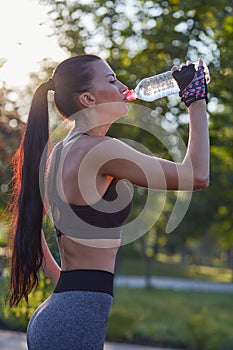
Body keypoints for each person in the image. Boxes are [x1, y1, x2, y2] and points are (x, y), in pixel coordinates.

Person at [8, 54, 209, 350]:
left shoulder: (61, 152)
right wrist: (196, 100)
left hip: (61, 313)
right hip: (74, 321)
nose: (124, 86)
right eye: (112, 80)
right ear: (88, 99)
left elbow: (29, 224)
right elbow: (197, 176)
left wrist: (69, 287)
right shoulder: (101, 150)